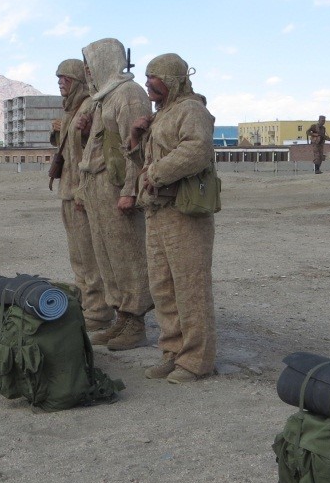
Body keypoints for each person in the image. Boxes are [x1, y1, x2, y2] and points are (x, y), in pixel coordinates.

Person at [134, 54, 218, 383]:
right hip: (158, 210)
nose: (147, 83)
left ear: (172, 79)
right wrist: (136, 137)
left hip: (185, 212)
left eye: (153, 77)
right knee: (163, 288)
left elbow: (197, 149)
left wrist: (156, 173)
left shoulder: (191, 110)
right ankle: (172, 351)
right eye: (146, 76)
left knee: (190, 286)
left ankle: (196, 361)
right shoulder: (161, 115)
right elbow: (144, 159)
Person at [74, 37, 152, 350]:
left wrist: (131, 190)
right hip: (97, 188)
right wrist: (82, 190)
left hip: (116, 188)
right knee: (107, 256)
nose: (87, 71)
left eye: (90, 64)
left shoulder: (129, 94)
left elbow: (137, 149)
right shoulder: (103, 98)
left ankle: (136, 322)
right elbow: (95, 148)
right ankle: (121, 316)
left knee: (128, 256)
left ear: (105, 61)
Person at [48, 58, 110, 331]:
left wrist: (81, 131)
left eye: (66, 78)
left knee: (89, 256)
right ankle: (87, 305)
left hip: (81, 193)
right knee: (78, 256)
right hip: (68, 191)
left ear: (78, 82)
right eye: (59, 78)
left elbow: (95, 147)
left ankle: (98, 310)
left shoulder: (89, 106)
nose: (61, 83)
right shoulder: (70, 109)